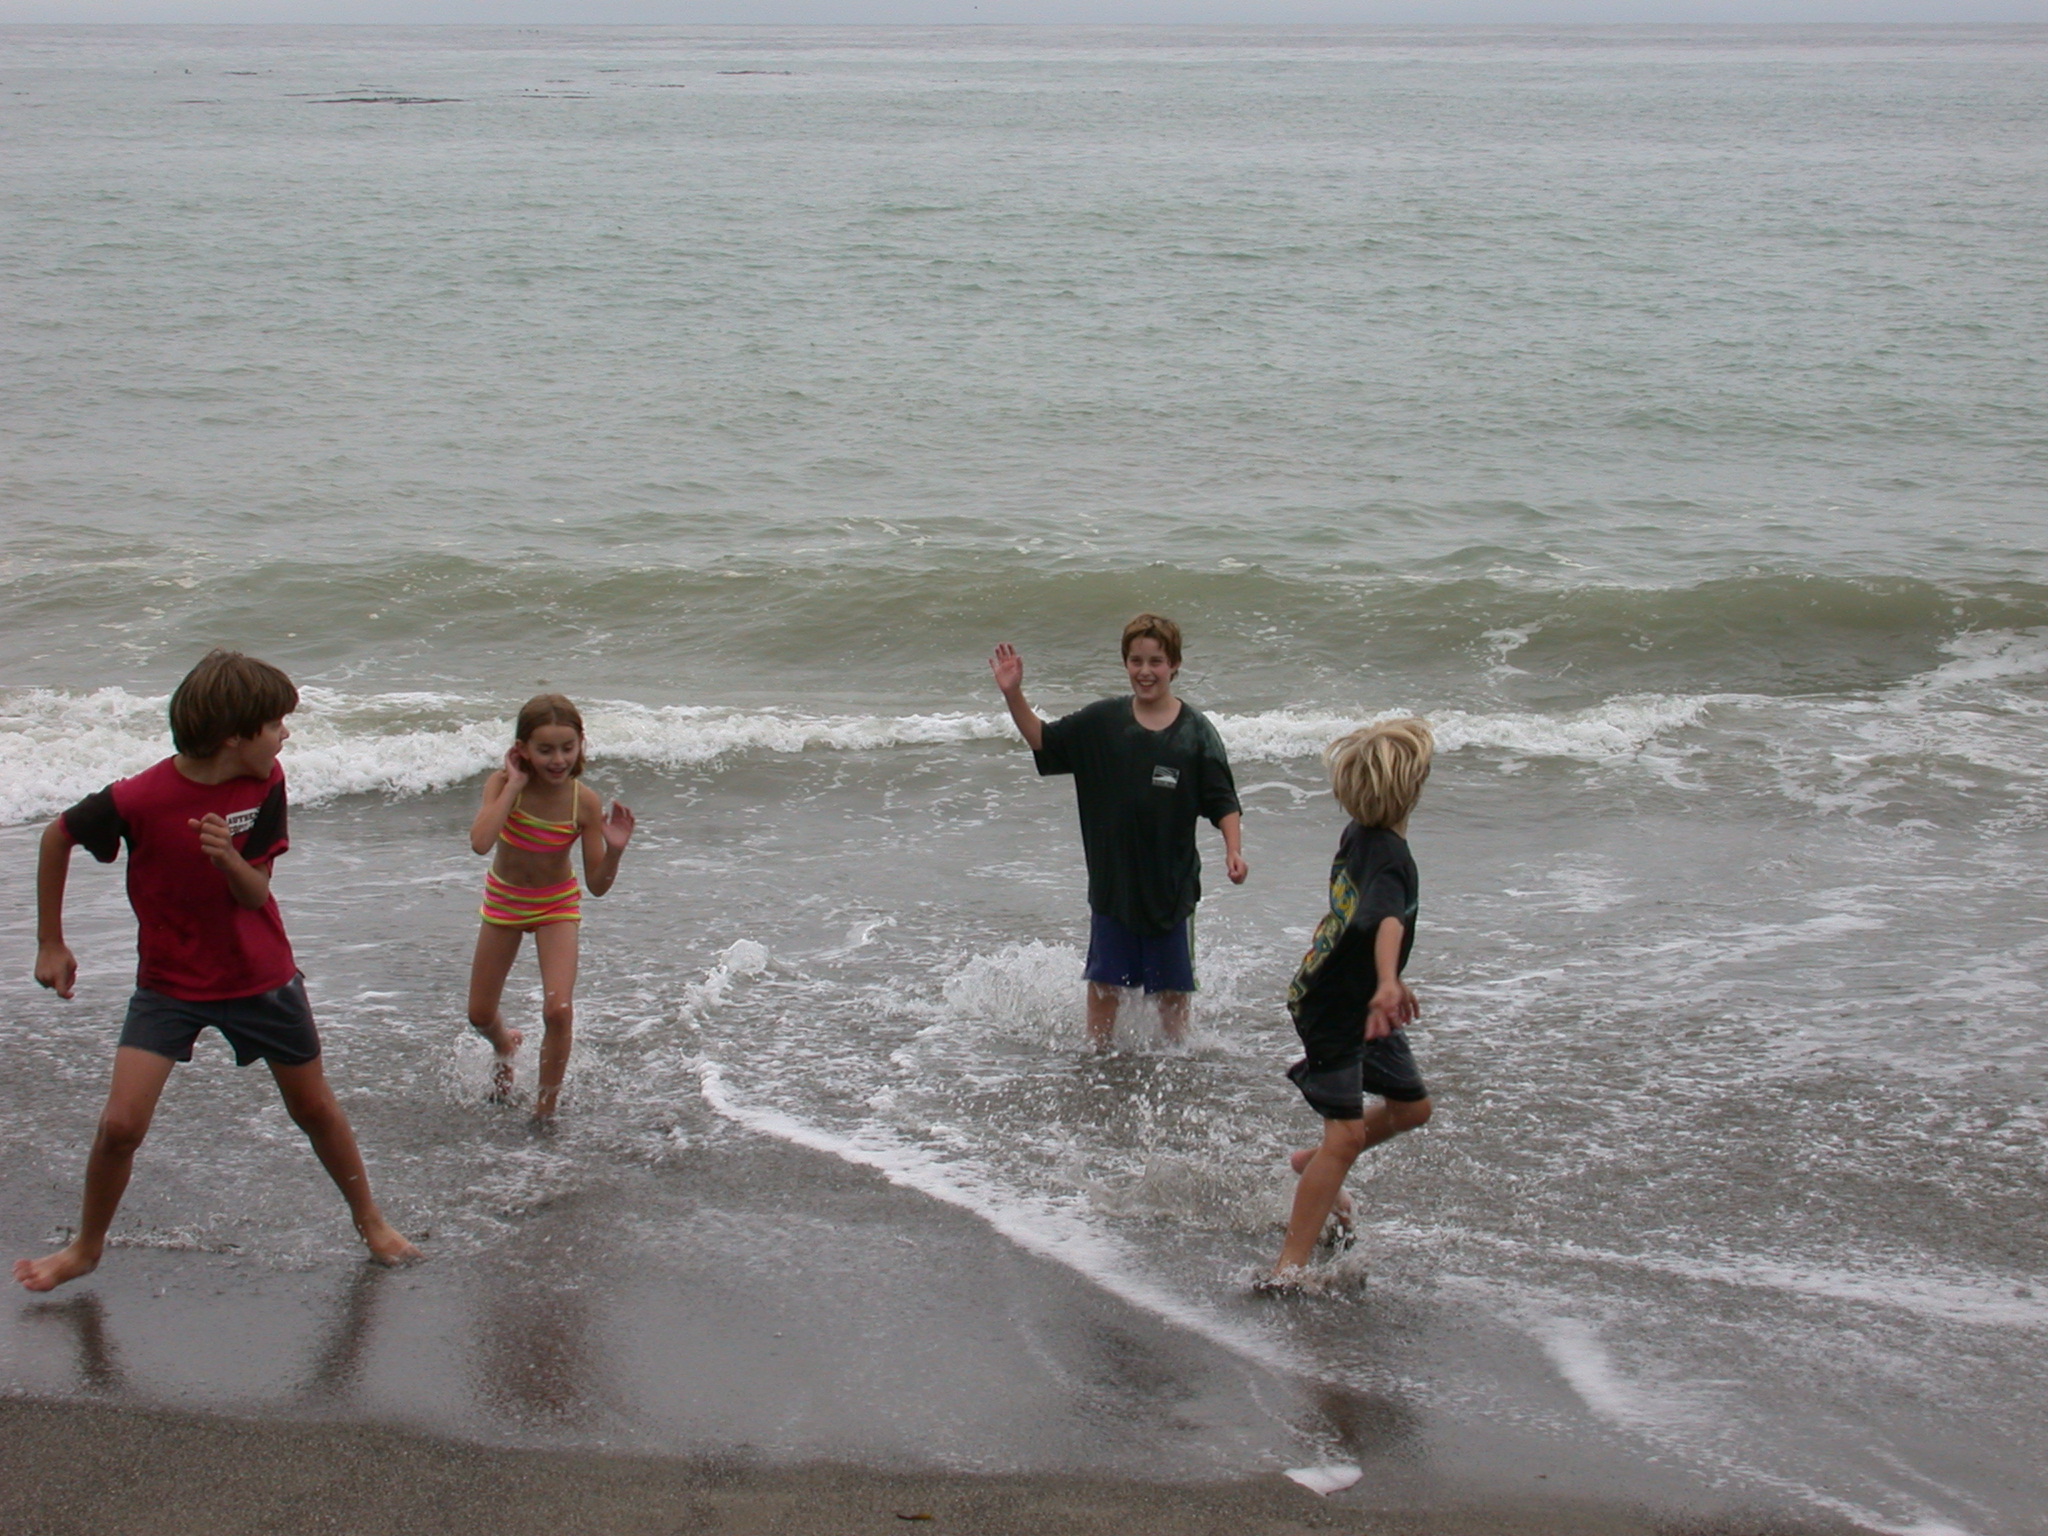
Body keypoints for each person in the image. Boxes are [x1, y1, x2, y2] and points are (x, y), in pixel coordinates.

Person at [17, 649, 420, 1293]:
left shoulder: (266, 783)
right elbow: (56, 836)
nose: (285, 735)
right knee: (120, 1126)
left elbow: (255, 893)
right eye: (275, 724)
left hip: (261, 977)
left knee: (314, 1108)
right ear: (234, 735)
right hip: (169, 984)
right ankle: (86, 1248)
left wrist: (228, 859)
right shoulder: (140, 797)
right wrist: (50, 943)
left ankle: (370, 1221)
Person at [990, 613, 1246, 1049]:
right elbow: (1043, 740)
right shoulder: (1102, 722)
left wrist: (1233, 850)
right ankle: (1097, 1059)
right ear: (1126, 663)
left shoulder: (1195, 733)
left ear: (1174, 665)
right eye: (1136, 661)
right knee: (1105, 984)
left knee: (1172, 992)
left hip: (1171, 889)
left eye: (1156, 661)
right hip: (1113, 886)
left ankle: (1179, 1061)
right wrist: (1013, 694)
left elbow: (1223, 801)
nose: (1145, 671)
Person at [1260, 717, 1436, 1295]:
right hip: (1337, 1004)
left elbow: (1367, 917)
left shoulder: (1359, 834)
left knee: (1413, 1107)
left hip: (1355, 996)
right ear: (1413, 789)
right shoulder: (1390, 858)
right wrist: (1388, 980)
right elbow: (1384, 919)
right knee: (1348, 1137)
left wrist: (1384, 983)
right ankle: (1289, 1268)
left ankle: (1311, 1160)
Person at [466, 694, 634, 1119]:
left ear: (580, 745)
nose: (558, 760)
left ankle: (545, 1111)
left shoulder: (584, 802)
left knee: (558, 1010)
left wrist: (614, 851)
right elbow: (480, 843)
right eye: (545, 750)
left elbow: (597, 885)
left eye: (567, 748)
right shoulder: (501, 785)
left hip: (555, 905)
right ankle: (505, 1045)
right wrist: (513, 786)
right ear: (521, 749)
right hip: (505, 901)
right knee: (479, 1014)